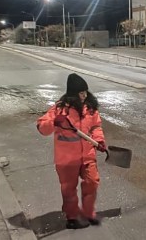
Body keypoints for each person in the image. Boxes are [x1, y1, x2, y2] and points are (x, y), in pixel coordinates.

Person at [37, 73, 107, 229]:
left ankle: (88, 213)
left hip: (87, 155)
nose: (84, 96)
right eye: (81, 93)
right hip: (67, 159)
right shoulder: (60, 109)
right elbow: (42, 128)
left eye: (85, 92)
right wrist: (54, 121)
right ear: (73, 94)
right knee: (69, 188)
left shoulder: (90, 109)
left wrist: (99, 141)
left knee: (92, 182)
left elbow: (96, 126)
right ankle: (72, 217)